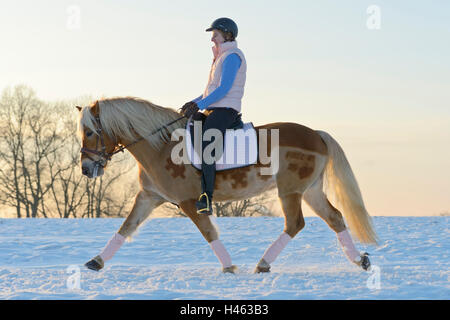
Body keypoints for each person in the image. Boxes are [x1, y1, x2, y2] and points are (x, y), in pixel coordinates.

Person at [181, 17, 247, 215]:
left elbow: (224, 89)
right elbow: (210, 91)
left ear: (226, 35)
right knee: (188, 126)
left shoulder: (232, 57)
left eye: (215, 35)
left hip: (226, 110)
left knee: (209, 142)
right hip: (213, 108)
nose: (212, 39)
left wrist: (200, 104)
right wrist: (192, 104)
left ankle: (206, 198)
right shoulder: (219, 57)